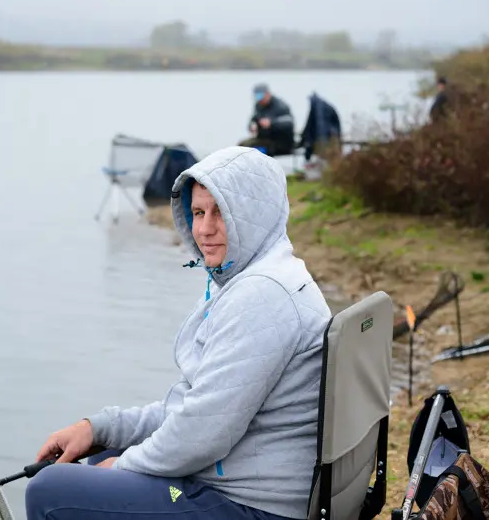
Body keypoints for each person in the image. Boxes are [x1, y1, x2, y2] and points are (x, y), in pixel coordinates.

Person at [26, 146, 332, 520]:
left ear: (255, 213)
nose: (203, 229)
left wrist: (123, 467)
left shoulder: (262, 295)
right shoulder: (267, 273)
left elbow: (201, 433)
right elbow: (189, 407)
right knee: (102, 452)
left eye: (221, 212)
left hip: (253, 505)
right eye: (198, 212)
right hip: (255, 480)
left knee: (50, 491)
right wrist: (98, 428)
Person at [239, 83, 296, 157]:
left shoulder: (280, 106)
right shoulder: (259, 106)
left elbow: (289, 122)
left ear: (268, 94)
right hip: (264, 139)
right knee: (241, 146)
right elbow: (254, 119)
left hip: (280, 143)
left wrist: (271, 123)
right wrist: (252, 126)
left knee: (250, 147)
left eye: (260, 96)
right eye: (256, 97)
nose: (259, 99)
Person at [297, 92, 342, 163]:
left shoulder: (319, 107)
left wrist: (321, 144)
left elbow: (320, 125)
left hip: (328, 138)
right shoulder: (318, 105)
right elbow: (310, 124)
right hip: (331, 136)